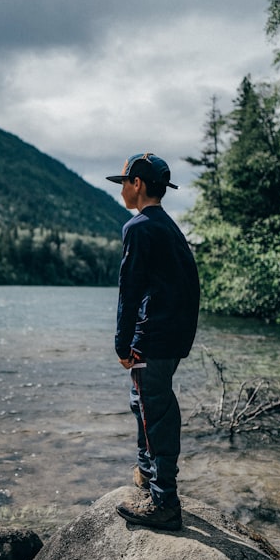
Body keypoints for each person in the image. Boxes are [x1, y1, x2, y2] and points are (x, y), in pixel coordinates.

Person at [105, 152, 200, 531]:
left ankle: (164, 502)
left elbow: (129, 289)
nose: (123, 189)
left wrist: (122, 343)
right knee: (143, 402)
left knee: (154, 411)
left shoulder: (139, 226)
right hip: (172, 335)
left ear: (138, 184)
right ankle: (147, 476)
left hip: (154, 335)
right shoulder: (167, 226)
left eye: (124, 182)